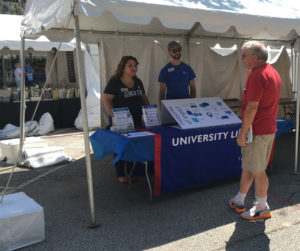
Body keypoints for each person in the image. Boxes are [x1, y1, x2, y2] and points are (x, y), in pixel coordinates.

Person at [229, 41, 281, 220]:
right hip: (267, 128)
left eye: (244, 55)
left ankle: (261, 206)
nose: (242, 58)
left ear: (255, 56)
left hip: (257, 130)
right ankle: (240, 199)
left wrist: (242, 133)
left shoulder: (258, 75)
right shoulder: (271, 71)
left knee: (257, 169)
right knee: (249, 166)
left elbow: (252, 108)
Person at [103, 56, 150, 184]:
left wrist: (149, 114)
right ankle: (120, 174)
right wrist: (113, 115)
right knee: (121, 147)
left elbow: (144, 99)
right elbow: (106, 99)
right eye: (130, 65)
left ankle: (130, 172)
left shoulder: (138, 81)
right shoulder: (115, 82)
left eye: (135, 65)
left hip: (136, 119)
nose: (134, 68)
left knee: (132, 146)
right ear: (122, 67)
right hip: (122, 121)